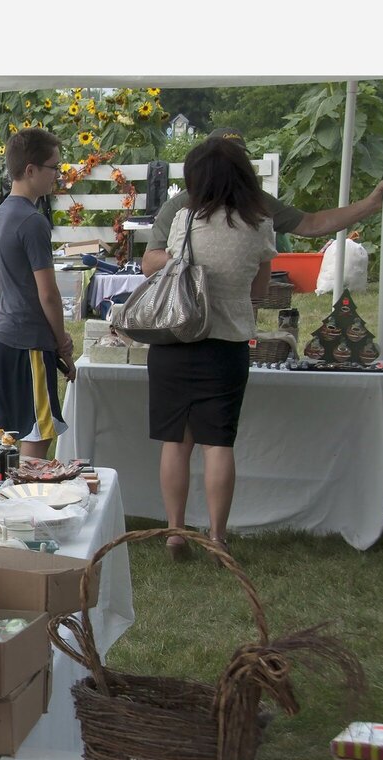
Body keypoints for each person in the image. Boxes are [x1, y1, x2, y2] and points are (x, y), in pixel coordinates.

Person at [148, 136, 277, 561]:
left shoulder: (185, 220)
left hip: (175, 338)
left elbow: (157, 264)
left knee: (176, 443)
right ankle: (218, 538)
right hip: (227, 343)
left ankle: (175, 532)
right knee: (218, 444)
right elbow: (259, 290)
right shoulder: (260, 224)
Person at [141, 126, 383, 277]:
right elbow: (149, 264)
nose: (232, 169)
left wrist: (371, 204)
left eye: (237, 161)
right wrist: (201, 259)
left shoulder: (254, 201)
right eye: (227, 161)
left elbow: (311, 224)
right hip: (187, 317)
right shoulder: (178, 206)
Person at [0, 128, 76, 462]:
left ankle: (7, 504)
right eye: (54, 167)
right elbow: (48, 294)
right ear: (30, 170)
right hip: (28, 341)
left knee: (6, 435)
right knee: (37, 436)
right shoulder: (32, 221)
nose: (58, 175)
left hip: (0, 336)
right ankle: (27, 507)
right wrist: (62, 343)